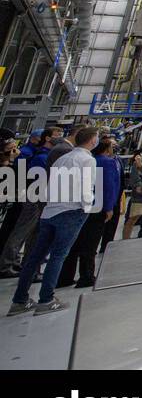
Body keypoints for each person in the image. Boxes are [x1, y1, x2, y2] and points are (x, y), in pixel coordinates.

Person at [7, 126, 98, 316]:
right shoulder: (87, 159)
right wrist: (87, 207)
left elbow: (49, 184)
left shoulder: (62, 158)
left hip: (50, 211)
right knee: (57, 256)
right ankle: (46, 300)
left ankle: (19, 300)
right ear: (91, 140)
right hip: (71, 211)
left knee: (34, 258)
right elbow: (86, 187)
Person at [57, 135, 119, 289]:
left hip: (79, 204)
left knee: (75, 242)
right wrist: (110, 207)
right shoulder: (107, 162)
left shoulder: (84, 160)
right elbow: (109, 187)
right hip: (97, 206)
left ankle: (65, 277)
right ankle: (87, 276)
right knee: (90, 244)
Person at [0, 130, 56, 277]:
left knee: (19, 231)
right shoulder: (28, 153)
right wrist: (10, 161)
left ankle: (12, 261)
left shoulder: (31, 153)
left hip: (21, 195)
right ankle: (6, 264)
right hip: (25, 196)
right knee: (18, 232)